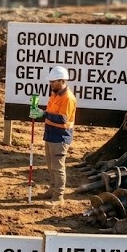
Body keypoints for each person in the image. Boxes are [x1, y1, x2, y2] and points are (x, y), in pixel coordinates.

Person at [40, 65, 76, 204]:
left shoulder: (68, 98)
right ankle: (52, 189)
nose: (51, 84)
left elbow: (63, 119)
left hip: (60, 137)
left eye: (53, 81)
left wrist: (44, 114)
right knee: (50, 165)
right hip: (50, 134)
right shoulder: (55, 94)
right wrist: (42, 113)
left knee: (58, 167)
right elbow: (51, 113)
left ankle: (58, 196)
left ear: (62, 81)